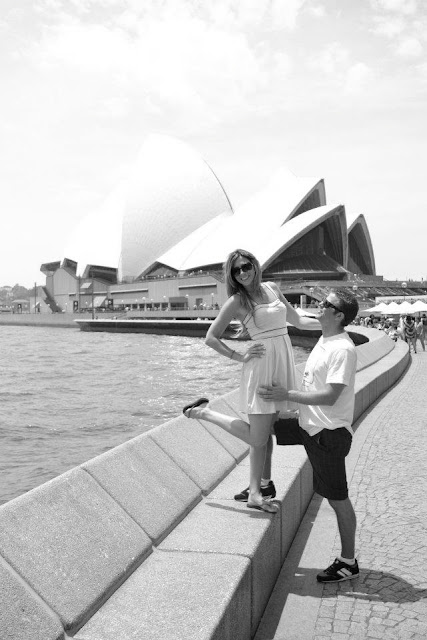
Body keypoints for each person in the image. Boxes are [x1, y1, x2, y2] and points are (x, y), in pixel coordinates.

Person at [183, 248, 319, 512]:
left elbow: (299, 321)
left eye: (246, 266)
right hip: (261, 366)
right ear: (232, 276)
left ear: (255, 266)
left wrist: (334, 323)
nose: (242, 272)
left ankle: (261, 488)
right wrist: (239, 356)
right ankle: (204, 413)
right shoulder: (237, 300)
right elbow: (211, 337)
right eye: (236, 270)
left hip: (282, 363)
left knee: (267, 432)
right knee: (258, 438)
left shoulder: (272, 288)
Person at [258, 289, 359, 583]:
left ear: (339, 315)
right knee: (264, 426)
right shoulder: (325, 336)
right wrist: (275, 294)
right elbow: (296, 318)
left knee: (338, 499)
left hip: (327, 435)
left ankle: (348, 562)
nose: (320, 305)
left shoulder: (342, 348)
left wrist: (286, 394)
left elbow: (330, 396)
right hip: (309, 426)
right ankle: (263, 485)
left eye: (327, 304)